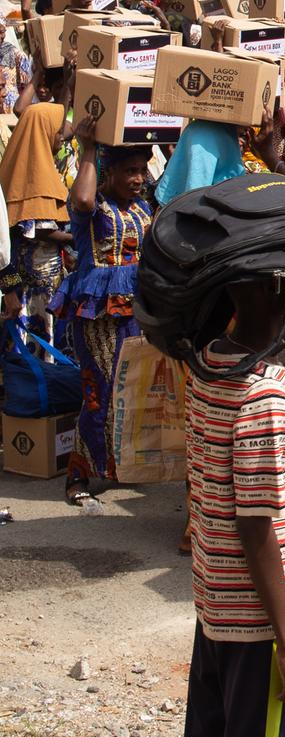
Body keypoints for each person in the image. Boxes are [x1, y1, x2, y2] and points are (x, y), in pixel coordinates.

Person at [181, 273, 285, 737]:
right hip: (258, 623)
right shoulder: (263, 390)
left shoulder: (205, 361)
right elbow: (256, 526)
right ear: (276, 296)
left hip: (214, 608)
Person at [51, 118, 152, 503]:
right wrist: (89, 148)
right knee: (100, 391)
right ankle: (78, 475)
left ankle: (116, 464)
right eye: (130, 171)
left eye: (142, 171)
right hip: (97, 314)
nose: (139, 178)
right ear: (107, 174)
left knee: (131, 391)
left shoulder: (142, 208)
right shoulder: (93, 209)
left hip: (137, 311)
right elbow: (82, 199)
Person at [0, 95, 71, 347]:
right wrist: (76, 238)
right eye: (57, 131)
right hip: (35, 279)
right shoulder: (32, 171)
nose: (61, 137)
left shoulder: (43, 163)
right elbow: (37, 228)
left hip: (41, 273)